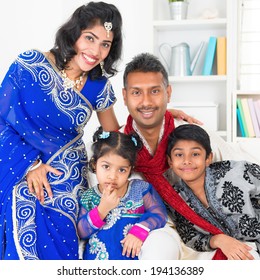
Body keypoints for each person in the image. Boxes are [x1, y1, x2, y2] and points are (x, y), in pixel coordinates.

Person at [0, 1, 124, 260]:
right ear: (74, 33)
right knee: (27, 198)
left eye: (105, 44)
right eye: (90, 38)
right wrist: (31, 165)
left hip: (67, 171)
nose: (95, 51)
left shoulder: (99, 86)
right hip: (20, 161)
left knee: (60, 217)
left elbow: (114, 137)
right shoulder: (30, 64)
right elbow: (2, 118)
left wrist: (162, 116)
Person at [166, 124, 260, 260]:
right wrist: (218, 240)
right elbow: (190, 237)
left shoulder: (235, 172)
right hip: (242, 253)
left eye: (195, 154)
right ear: (170, 161)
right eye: (179, 155)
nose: (187, 161)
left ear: (208, 158)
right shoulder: (176, 199)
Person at [77, 127, 168, 260]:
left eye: (122, 170)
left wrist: (139, 231)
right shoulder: (88, 197)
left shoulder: (140, 189)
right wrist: (102, 209)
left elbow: (159, 215)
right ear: (94, 164)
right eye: (106, 167)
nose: (112, 176)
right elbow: (81, 232)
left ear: (130, 170)